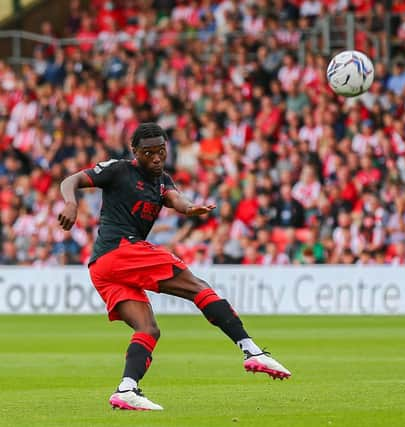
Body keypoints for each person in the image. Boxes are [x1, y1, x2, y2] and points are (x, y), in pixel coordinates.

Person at [57, 123, 291, 411]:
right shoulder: (118, 170)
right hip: (121, 251)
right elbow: (70, 180)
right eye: (149, 153)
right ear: (135, 152)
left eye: (161, 151)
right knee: (198, 287)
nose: (156, 158)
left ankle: (126, 389)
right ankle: (250, 350)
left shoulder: (162, 180)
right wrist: (71, 203)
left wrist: (190, 208)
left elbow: (176, 200)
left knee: (148, 329)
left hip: (103, 266)